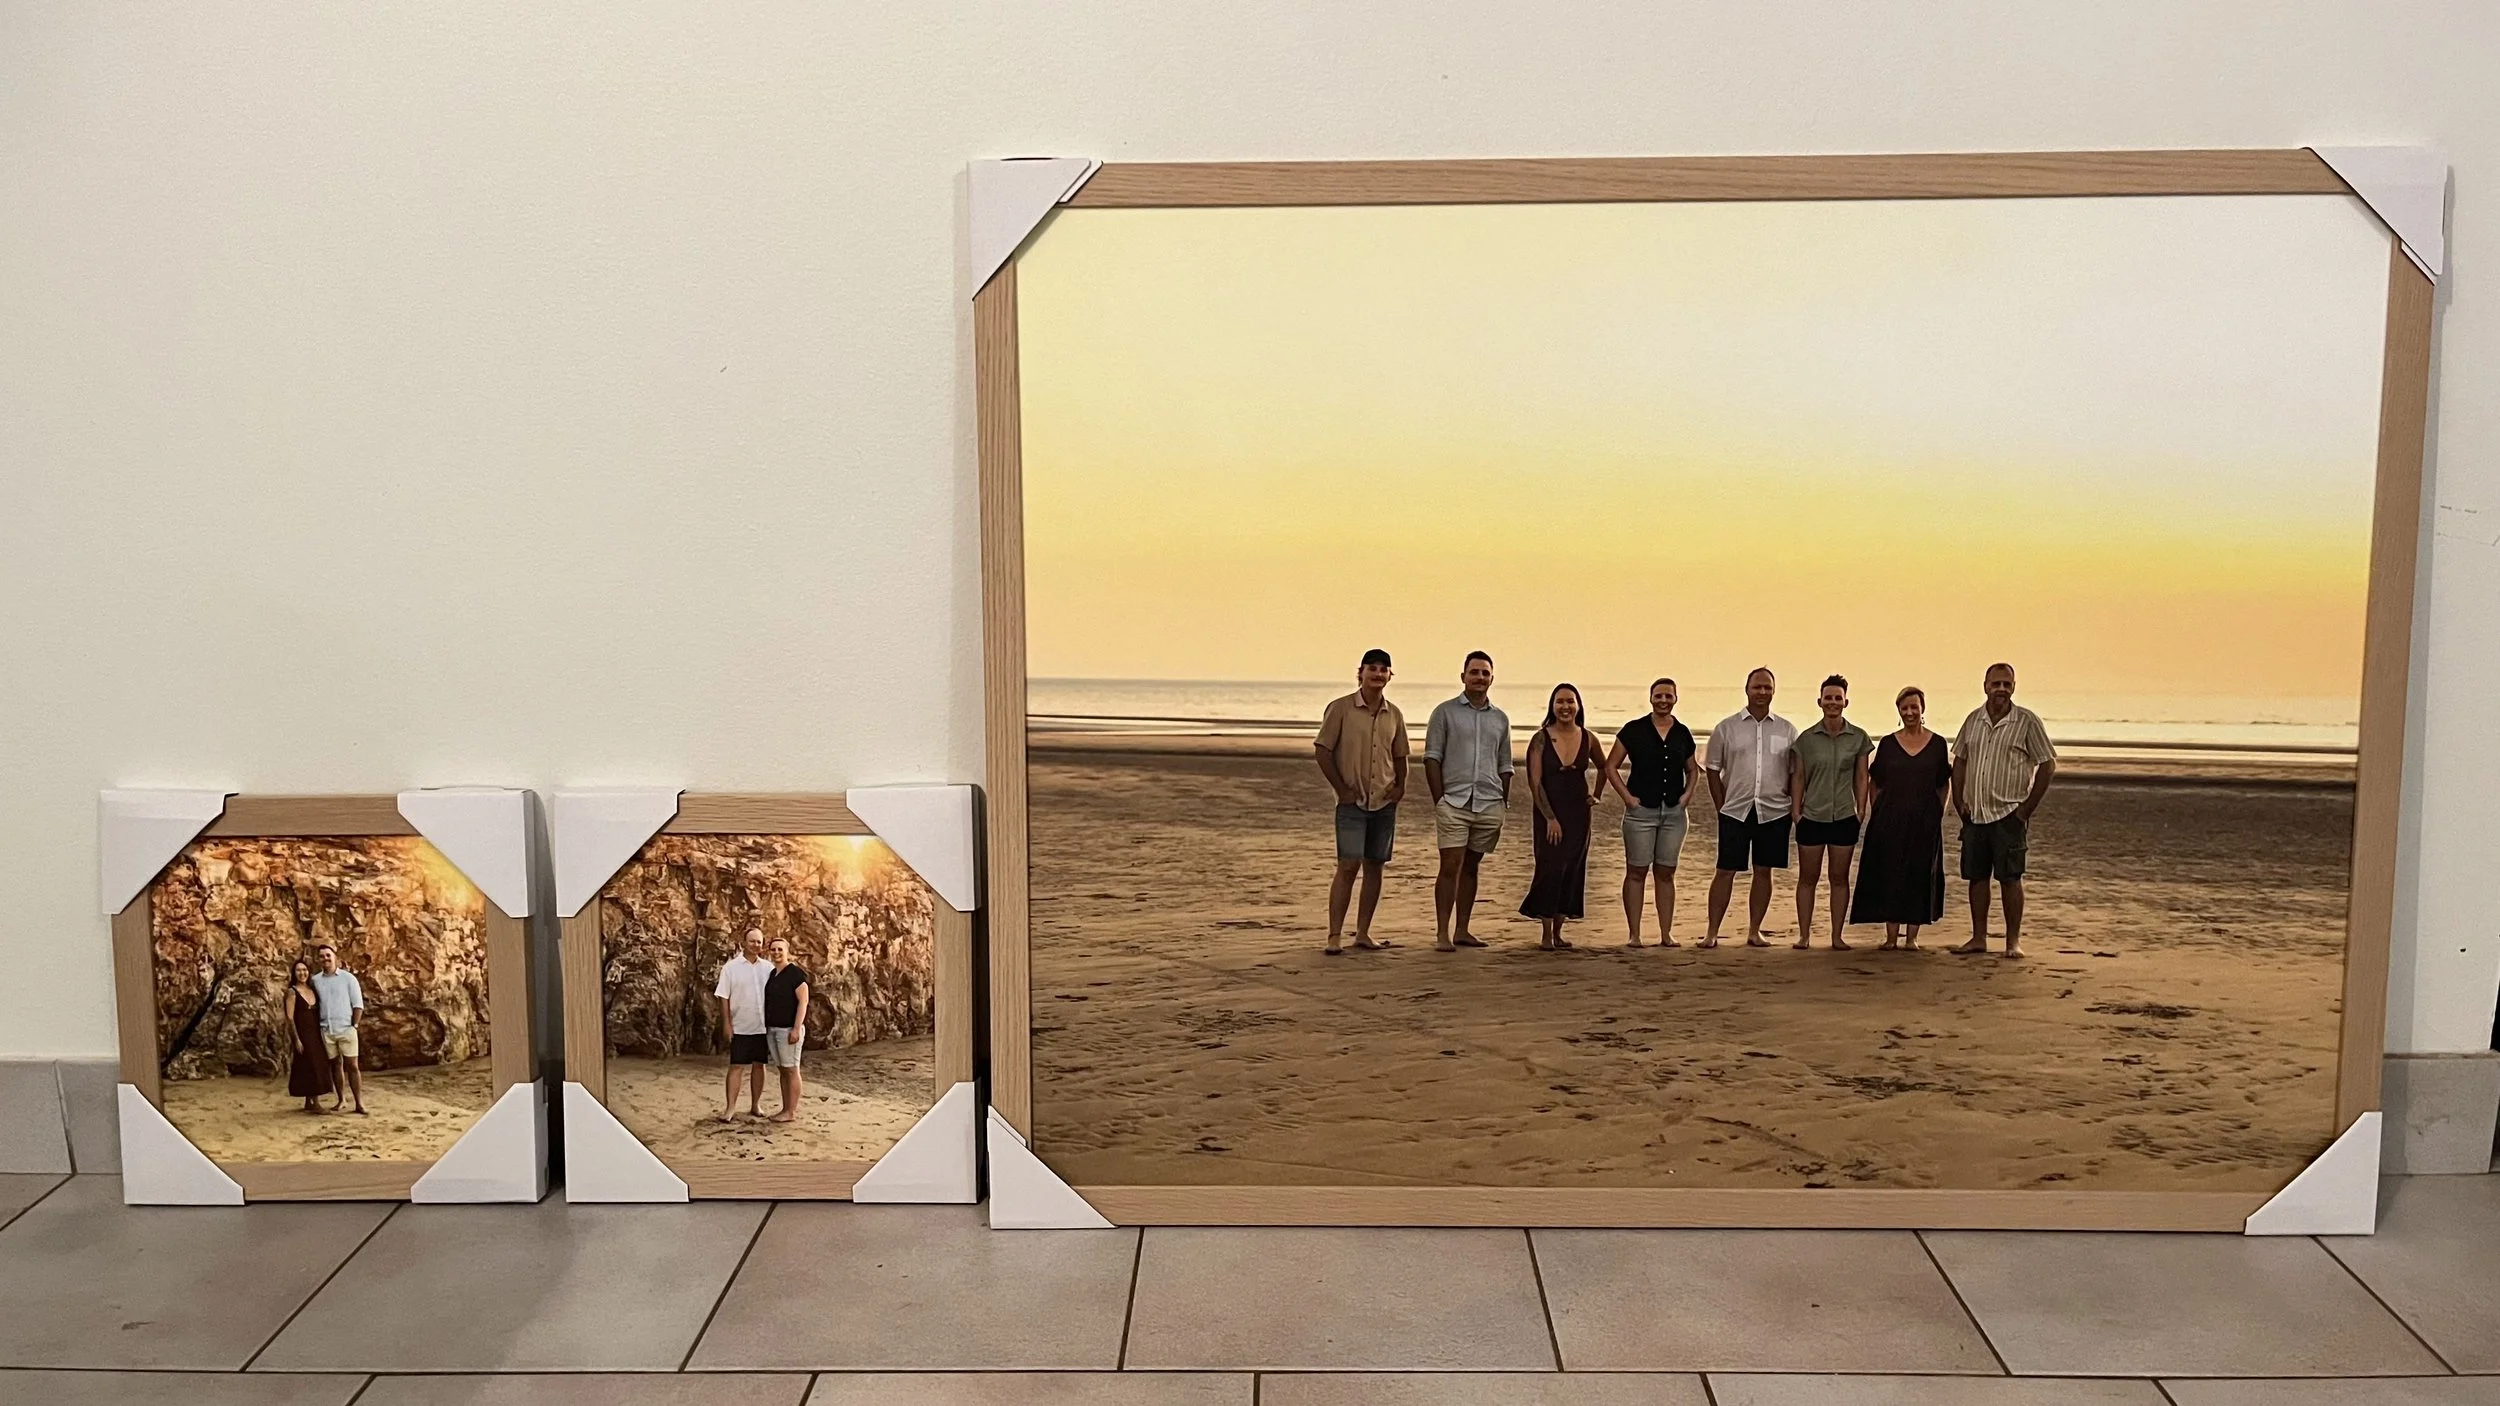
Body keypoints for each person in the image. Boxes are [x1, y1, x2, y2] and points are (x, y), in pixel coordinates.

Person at [1951, 663, 2059, 958]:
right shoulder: (1973, 720)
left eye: (2006, 684)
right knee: (1976, 877)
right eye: (1996, 684)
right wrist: (1958, 800)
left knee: (2011, 877)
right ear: (1985, 685)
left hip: (2009, 814)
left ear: (2014, 686)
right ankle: (1978, 938)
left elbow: (2047, 764)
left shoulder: (2026, 721)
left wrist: (2026, 809)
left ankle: (2012, 941)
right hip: (1976, 813)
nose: (2001, 689)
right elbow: (1959, 759)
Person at [1315, 647, 1408, 954]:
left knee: (1375, 866)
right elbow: (1323, 750)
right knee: (1348, 865)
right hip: (1351, 804)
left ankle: (1364, 933)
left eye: (1384, 669)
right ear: (1361, 672)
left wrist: (1400, 788)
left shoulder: (1393, 713)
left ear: (1389, 675)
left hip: (1383, 801)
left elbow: (1400, 755)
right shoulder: (1340, 708)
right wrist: (1341, 790)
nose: (1378, 674)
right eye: (1372, 668)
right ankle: (1334, 935)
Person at [1850, 685, 1954, 949]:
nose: (1909, 712)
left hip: (1925, 821)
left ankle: (1912, 938)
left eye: (1914, 707)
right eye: (1904, 708)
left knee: (1919, 875)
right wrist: (1877, 809)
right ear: (1898, 710)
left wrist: (1938, 811)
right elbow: (1875, 780)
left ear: (1922, 709)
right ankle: (1891, 937)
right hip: (1889, 820)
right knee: (1891, 875)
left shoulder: (1938, 744)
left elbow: (1944, 782)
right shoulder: (1887, 743)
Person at [1703, 668, 1798, 948]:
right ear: (1747, 689)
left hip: (1774, 810)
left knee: (1764, 871)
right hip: (1736, 809)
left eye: (1767, 688)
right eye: (1757, 687)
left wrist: (1793, 806)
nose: (1762, 692)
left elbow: (1794, 773)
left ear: (1774, 691)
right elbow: (1712, 769)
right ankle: (1712, 932)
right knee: (1725, 870)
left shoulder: (1787, 730)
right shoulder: (1726, 727)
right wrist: (1721, 805)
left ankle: (1754, 930)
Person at [1425, 651, 1513, 952]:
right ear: (1463, 676)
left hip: (1489, 801)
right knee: (1450, 864)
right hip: (1454, 801)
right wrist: (1440, 800)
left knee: (1472, 866)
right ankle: (1442, 933)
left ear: (1492, 678)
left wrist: (1504, 800)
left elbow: (1505, 764)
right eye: (1474, 672)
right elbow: (1432, 758)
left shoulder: (1500, 719)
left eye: (1485, 673)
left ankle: (1463, 929)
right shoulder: (1444, 713)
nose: (1479, 678)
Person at [1607, 678, 1699, 948]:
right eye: (1658, 695)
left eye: (1668, 696)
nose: (1663, 700)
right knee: (1636, 871)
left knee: (1666, 872)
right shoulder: (1633, 730)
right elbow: (1611, 766)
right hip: (1640, 813)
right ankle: (1634, 935)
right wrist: (1628, 799)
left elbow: (1693, 769)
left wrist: (1687, 796)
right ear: (1650, 698)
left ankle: (1666, 934)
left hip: (1673, 814)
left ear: (1675, 699)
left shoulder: (1682, 733)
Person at [1518, 683, 1606, 950]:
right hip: (1549, 813)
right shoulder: (1541, 738)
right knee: (1550, 868)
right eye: (1560, 702)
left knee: (1572, 869)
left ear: (1578, 705)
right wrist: (1550, 818)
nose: (1565, 707)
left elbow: (1605, 767)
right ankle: (1546, 934)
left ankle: (1558, 932)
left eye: (1570, 701)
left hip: (1579, 814)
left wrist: (1596, 794)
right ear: (1552, 706)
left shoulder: (1589, 738)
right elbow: (1535, 781)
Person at [1789, 675, 1874, 951]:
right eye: (1828, 698)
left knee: (1839, 879)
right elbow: (1799, 776)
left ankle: (1837, 936)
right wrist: (1796, 811)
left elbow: (1862, 777)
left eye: (1838, 698)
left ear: (1846, 701)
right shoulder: (1806, 739)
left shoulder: (1858, 737)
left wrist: (1861, 810)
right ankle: (1804, 935)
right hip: (1811, 816)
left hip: (1844, 818)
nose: (1833, 702)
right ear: (1819, 701)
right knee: (1808, 878)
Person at [714, 928, 773, 1120]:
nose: (756, 945)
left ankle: (756, 1105)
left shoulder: (768, 968)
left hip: (763, 1026)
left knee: (759, 1065)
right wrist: (726, 1024)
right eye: (752, 941)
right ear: (743, 942)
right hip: (740, 1025)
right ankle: (730, 1108)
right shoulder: (730, 968)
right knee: (736, 1066)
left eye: (759, 942)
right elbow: (723, 998)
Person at [308, 944, 366, 1115]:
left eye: (328, 955)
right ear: (318, 960)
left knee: (353, 1066)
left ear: (335, 958)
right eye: (322, 956)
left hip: (347, 1029)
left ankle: (359, 1102)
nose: (325, 959)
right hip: (327, 1030)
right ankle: (341, 1100)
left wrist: (354, 1025)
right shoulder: (316, 981)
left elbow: (358, 1005)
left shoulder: (348, 979)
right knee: (335, 1065)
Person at [763, 937, 811, 1124]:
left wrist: (796, 1028)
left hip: (788, 1030)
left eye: (780, 949)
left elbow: (803, 1001)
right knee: (783, 1070)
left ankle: (791, 1111)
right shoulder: (772, 974)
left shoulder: (795, 973)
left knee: (792, 1069)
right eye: (773, 949)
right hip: (773, 1029)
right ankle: (785, 1108)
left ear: (787, 951)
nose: (776, 953)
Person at [281, 958, 332, 1113]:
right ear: (294, 973)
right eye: (298, 970)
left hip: (315, 1033)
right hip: (303, 1034)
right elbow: (289, 1018)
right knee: (310, 1066)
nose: (302, 973)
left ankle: (309, 1101)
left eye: (304, 970)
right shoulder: (292, 992)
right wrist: (296, 1039)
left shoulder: (312, 990)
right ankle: (315, 1103)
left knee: (316, 1064)